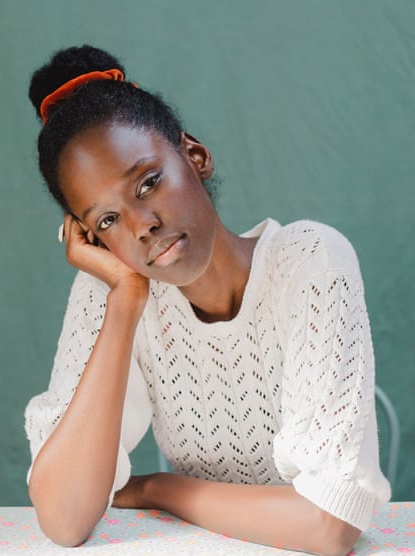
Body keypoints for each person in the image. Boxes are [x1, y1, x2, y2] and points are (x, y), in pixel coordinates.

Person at [24, 45, 391, 555]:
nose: (142, 226)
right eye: (106, 221)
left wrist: (157, 489)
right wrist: (126, 300)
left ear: (194, 155)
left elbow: (329, 528)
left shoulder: (309, 259)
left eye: (148, 183)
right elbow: (64, 519)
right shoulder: (113, 292)